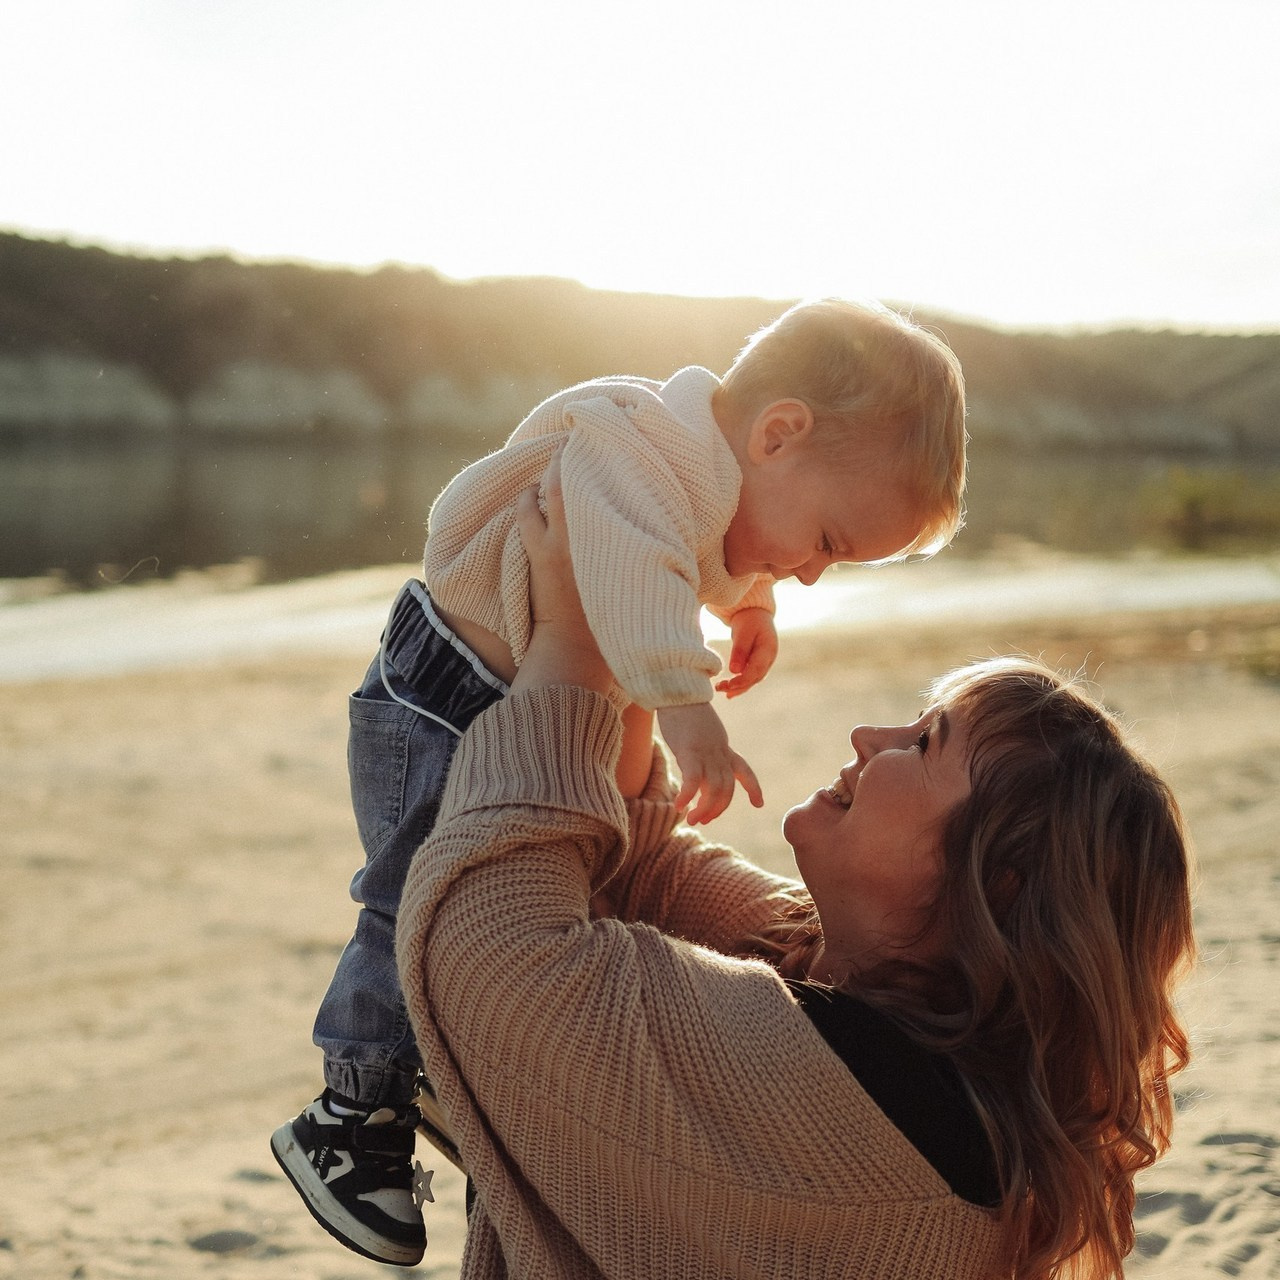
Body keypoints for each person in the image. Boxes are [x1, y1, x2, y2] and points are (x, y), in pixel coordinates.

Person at [271, 298, 968, 1265]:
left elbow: (683, 554)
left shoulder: (697, 469)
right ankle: (347, 1116)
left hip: (500, 695)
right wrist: (685, 705)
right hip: (441, 699)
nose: (811, 574)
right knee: (410, 902)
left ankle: (441, 1072)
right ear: (777, 434)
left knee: (563, 866)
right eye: (828, 541)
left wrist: (752, 605)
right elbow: (633, 570)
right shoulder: (637, 446)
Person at [390, 450, 1197, 1278]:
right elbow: (641, 868)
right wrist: (635, 611)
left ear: (998, 883)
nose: (869, 738)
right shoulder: (865, 991)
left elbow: (490, 948)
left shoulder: (859, 1100)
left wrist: (571, 647)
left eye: (925, 743)